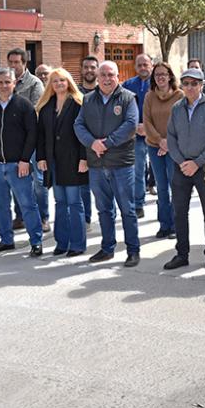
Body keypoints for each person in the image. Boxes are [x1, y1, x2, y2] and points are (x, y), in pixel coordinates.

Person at [74, 60, 141, 266]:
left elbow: (131, 125)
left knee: (127, 209)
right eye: (103, 75)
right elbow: (78, 124)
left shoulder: (128, 98)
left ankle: (133, 250)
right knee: (104, 209)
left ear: (118, 76)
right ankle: (107, 248)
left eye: (111, 74)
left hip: (121, 164)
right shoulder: (88, 99)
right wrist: (92, 143)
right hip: (96, 164)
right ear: (97, 77)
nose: (106, 78)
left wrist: (107, 143)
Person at [0, 68, 43, 257]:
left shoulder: (24, 105)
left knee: (28, 205)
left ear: (14, 83)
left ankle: (36, 242)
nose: (4, 85)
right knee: (1, 206)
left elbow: (32, 134)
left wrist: (25, 160)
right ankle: (6, 240)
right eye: (0, 82)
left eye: (7, 82)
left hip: (18, 166)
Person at [164, 68, 205, 271]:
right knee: (179, 211)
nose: (190, 87)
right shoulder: (177, 108)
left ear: (201, 85)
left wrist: (197, 162)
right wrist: (182, 161)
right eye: (186, 83)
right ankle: (182, 254)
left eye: (194, 83)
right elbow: (171, 136)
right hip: (181, 167)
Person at [36, 68, 89, 257]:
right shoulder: (46, 107)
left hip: (73, 160)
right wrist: (41, 157)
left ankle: (77, 244)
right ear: (50, 85)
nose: (59, 84)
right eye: (55, 81)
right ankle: (62, 242)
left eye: (62, 80)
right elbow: (41, 135)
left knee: (74, 203)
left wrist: (84, 158)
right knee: (60, 202)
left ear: (69, 82)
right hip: (54, 162)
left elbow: (85, 133)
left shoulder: (78, 104)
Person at [7, 48, 49, 233]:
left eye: (17, 62)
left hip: (32, 139)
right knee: (18, 180)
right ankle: (21, 216)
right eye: (11, 62)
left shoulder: (34, 83)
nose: (13, 65)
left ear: (24, 63)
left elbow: (36, 110)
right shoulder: (6, 82)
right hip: (13, 142)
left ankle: (43, 217)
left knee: (38, 181)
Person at [142, 61, 183, 239]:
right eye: (157, 74)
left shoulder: (180, 95)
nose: (160, 77)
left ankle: (175, 225)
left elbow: (181, 121)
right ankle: (164, 224)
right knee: (161, 187)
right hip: (154, 147)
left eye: (163, 74)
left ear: (170, 76)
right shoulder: (149, 96)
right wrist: (160, 141)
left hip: (174, 148)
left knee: (175, 186)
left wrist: (169, 143)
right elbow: (147, 121)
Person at [121, 53, 153, 218]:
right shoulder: (127, 85)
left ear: (151, 65)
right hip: (136, 136)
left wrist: (148, 127)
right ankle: (138, 204)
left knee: (162, 174)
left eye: (145, 64)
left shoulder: (159, 83)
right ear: (135, 67)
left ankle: (166, 207)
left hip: (157, 135)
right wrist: (135, 127)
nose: (142, 68)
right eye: (139, 65)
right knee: (138, 171)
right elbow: (122, 109)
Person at [77, 55, 99, 231]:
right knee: (83, 186)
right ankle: (85, 219)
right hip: (80, 145)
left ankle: (109, 217)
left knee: (104, 187)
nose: (89, 70)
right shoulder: (74, 93)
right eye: (86, 67)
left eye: (92, 67)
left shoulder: (104, 91)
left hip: (102, 146)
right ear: (81, 70)